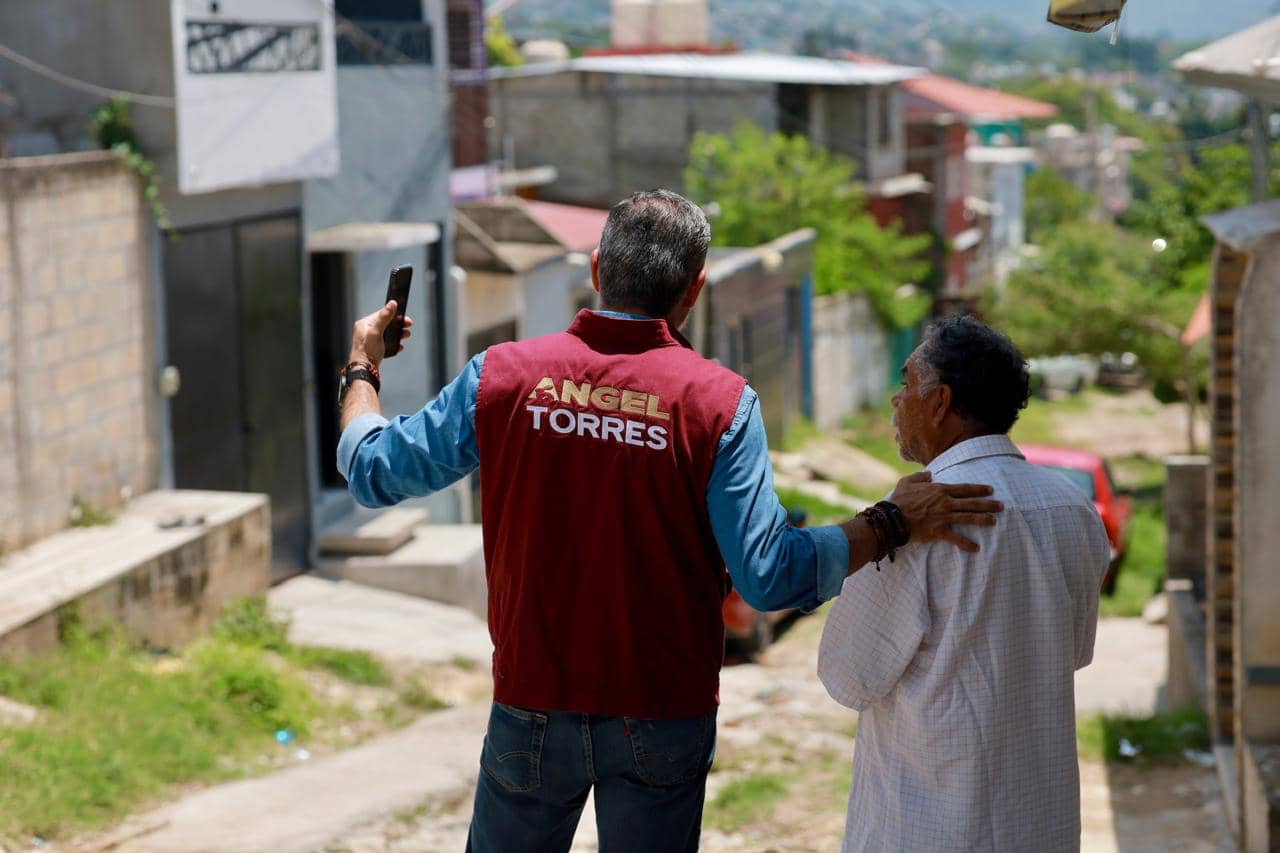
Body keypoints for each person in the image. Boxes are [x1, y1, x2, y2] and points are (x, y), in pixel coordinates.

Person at [336, 190, 1003, 853]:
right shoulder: (719, 405)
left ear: (596, 270)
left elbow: (370, 466)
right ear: (696, 288)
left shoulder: (502, 378)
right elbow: (769, 577)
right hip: (663, 718)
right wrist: (888, 523)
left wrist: (363, 364)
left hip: (530, 707)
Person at [817, 315, 1111, 853]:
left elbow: (847, 677)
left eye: (906, 385)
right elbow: (1073, 651)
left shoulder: (918, 517)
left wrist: (884, 525)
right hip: (1038, 825)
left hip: (925, 826)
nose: (894, 401)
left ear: (940, 403)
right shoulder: (1073, 508)